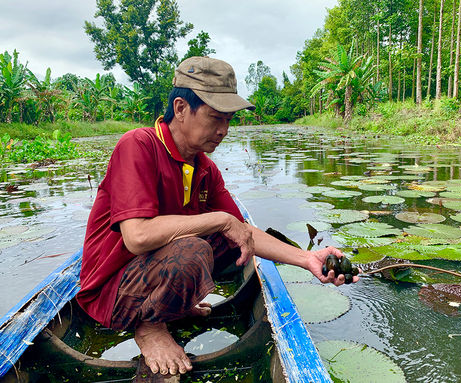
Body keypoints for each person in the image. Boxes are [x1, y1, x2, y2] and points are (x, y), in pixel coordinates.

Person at [76, 56, 359, 377]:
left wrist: (307, 258)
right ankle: (150, 326)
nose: (223, 130)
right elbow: (137, 236)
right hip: (112, 291)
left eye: (229, 120)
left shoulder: (203, 167)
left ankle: (170, 304)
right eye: (215, 118)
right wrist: (220, 221)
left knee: (234, 245)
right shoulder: (138, 145)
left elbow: (243, 232)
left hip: (152, 273)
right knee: (195, 250)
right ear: (181, 108)